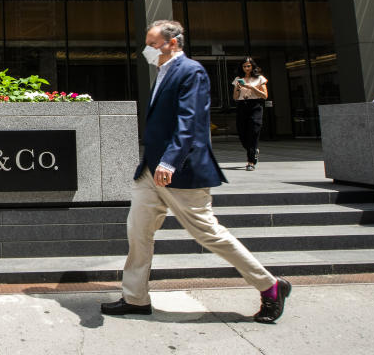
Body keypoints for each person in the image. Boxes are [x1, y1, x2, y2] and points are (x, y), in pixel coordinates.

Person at [101, 20, 291, 323]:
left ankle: (270, 286)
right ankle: (135, 298)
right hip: (151, 171)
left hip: (180, 170)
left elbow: (190, 122)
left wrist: (169, 161)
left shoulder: (192, 71)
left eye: (152, 43)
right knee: (138, 233)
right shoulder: (163, 72)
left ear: (172, 42)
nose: (147, 50)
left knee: (208, 233)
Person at [232, 57, 268, 171]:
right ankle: (254, 150)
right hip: (242, 106)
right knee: (242, 134)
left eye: (248, 66)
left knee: (253, 132)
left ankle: (250, 162)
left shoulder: (259, 78)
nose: (246, 68)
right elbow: (235, 97)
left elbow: (264, 95)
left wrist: (252, 88)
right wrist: (238, 88)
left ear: (252, 66)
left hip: (255, 106)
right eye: (244, 66)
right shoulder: (238, 79)